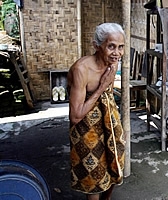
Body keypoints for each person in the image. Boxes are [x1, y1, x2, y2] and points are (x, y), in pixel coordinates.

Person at [67, 22, 126, 200]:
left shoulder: (112, 62)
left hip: (109, 122)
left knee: (114, 164)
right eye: (111, 47)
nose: (117, 53)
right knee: (93, 175)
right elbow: (76, 116)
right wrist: (102, 87)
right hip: (86, 130)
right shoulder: (81, 69)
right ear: (96, 46)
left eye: (121, 47)